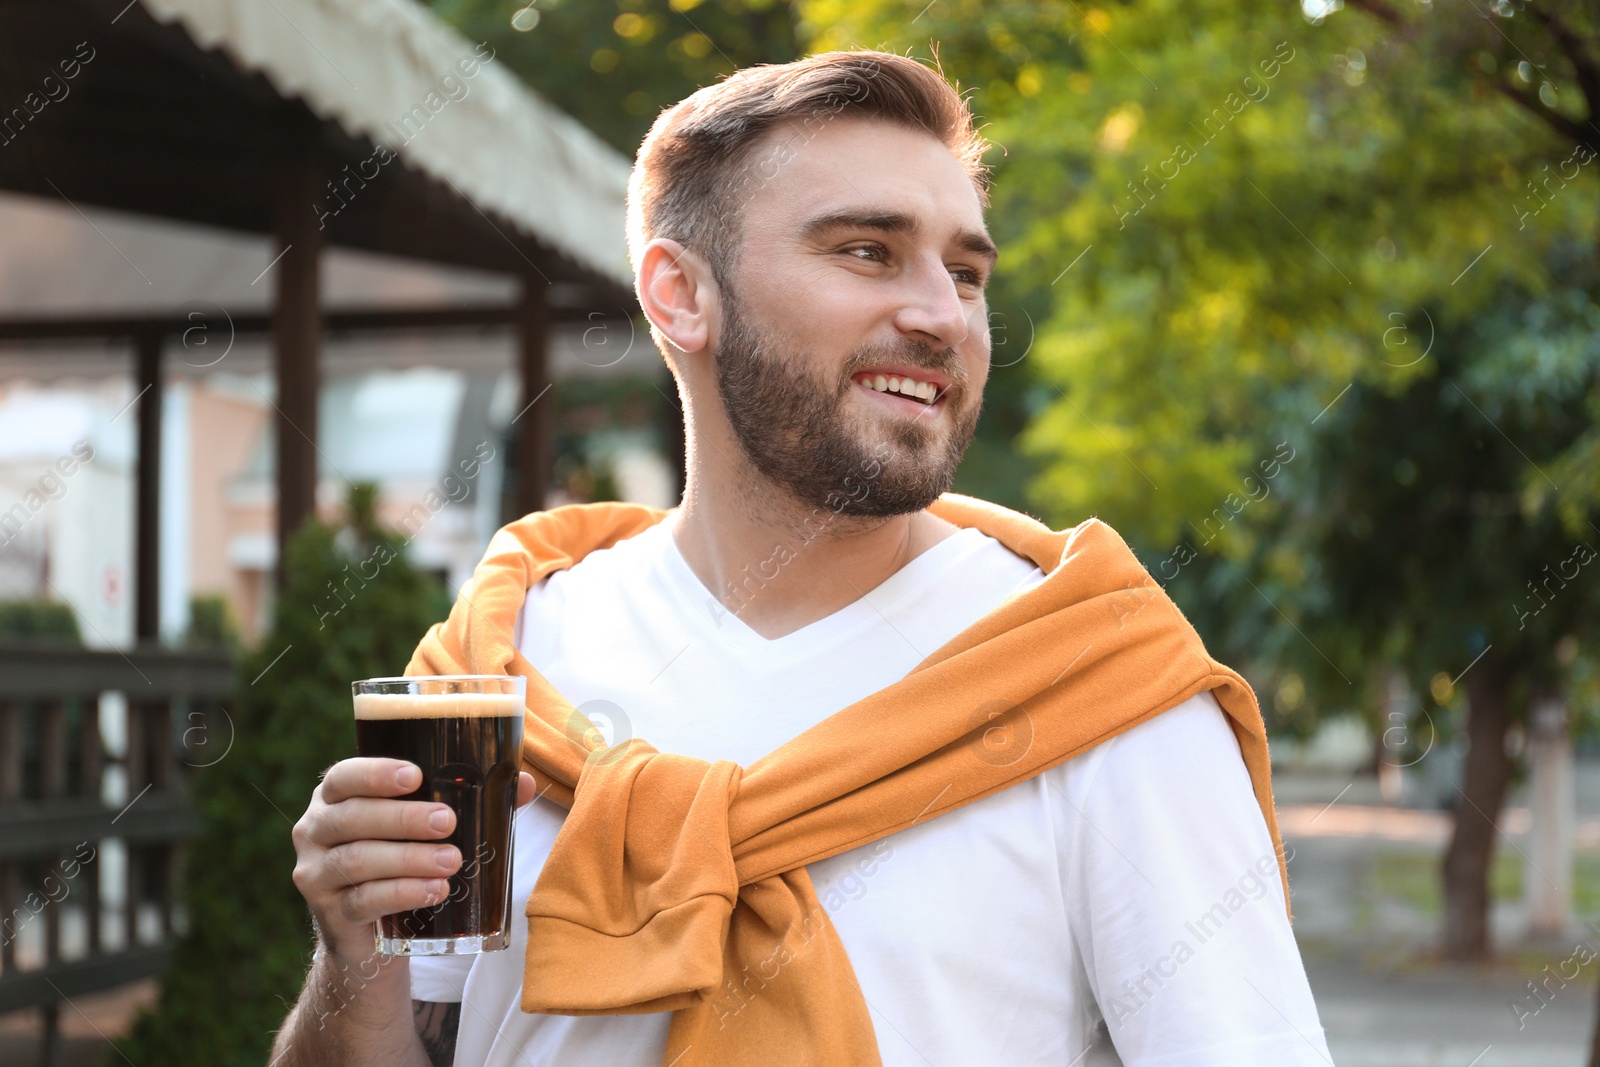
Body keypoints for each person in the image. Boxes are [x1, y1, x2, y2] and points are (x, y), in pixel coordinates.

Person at [273, 49, 1331, 1067]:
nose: (940, 315)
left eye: (964, 271)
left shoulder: (1105, 687)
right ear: (678, 295)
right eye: (866, 250)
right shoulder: (498, 666)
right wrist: (350, 958)